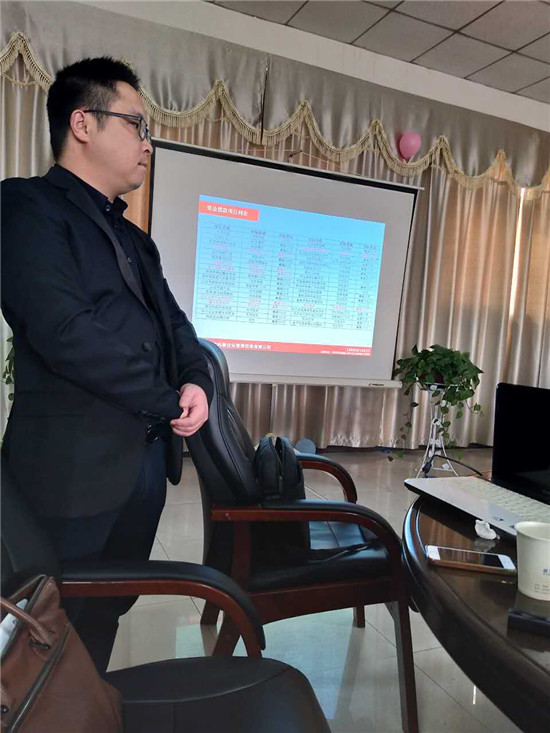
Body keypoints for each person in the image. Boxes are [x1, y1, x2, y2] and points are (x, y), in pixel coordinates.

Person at [1, 57, 213, 672]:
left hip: (142, 467)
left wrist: (197, 379)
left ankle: (86, 707)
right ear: (83, 124)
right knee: (44, 626)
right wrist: (167, 397)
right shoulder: (26, 207)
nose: (148, 143)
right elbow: (65, 333)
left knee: (106, 613)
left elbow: (176, 326)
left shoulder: (136, 239)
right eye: (136, 124)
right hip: (70, 470)